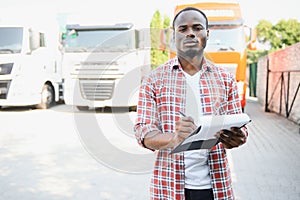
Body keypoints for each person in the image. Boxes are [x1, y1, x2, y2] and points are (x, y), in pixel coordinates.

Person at [134, 7, 248, 200]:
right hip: (169, 188)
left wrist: (236, 138)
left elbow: (242, 132)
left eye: (197, 28)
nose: (190, 34)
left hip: (216, 188)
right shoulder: (154, 80)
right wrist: (175, 138)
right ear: (174, 35)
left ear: (207, 34)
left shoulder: (226, 80)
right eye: (183, 29)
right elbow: (142, 133)